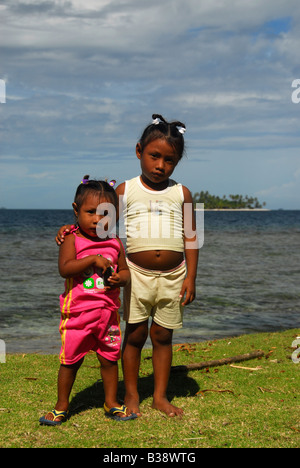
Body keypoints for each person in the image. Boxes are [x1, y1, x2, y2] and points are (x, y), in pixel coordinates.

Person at [56, 114, 199, 418]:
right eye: (154, 156)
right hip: (135, 275)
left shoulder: (182, 193)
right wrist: (69, 231)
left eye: (169, 160)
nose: (160, 165)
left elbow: (192, 239)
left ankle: (160, 396)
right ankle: (131, 394)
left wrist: (191, 278)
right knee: (135, 334)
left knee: (163, 335)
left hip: (174, 276)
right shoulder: (124, 190)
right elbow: (97, 226)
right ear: (138, 152)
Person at [40, 177, 135, 426]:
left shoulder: (115, 243)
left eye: (105, 214)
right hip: (77, 316)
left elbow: (126, 273)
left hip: (108, 316)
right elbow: (65, 268)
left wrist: (119, 279)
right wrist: (92, 259)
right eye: (90, 212)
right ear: (76, 211)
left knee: (109, 359)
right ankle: (62, 404)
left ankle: (111, 401)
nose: (96, 219)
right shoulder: (72, 238)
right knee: (70, 361)